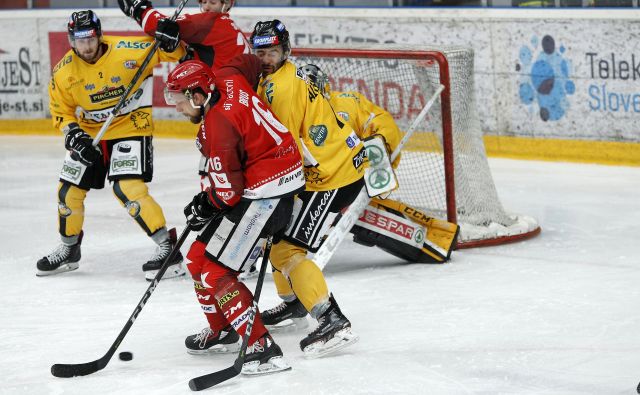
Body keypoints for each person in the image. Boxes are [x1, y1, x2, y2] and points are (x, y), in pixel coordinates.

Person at [163, 56, 305, 374]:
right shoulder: (227, 77)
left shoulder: (219, 127)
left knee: (215, 273)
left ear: (198, 96)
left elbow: (228, 193)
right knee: (197, 258)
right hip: (275, 183)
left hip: (266, 200)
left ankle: (262, 348)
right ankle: (223, 329)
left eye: (179, 99)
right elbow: (250, 62)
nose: (177, 107)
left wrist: (206, 204)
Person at [38, 10, 186, 280]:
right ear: (71, 40)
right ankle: (69, 249)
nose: (85, 46)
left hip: (131, 126)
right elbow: (61, 111)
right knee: (67, 192)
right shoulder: (64, 72)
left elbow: (176, 54)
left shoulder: (129, 50)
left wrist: (172, 41)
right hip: (91, 134)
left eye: (90, 39)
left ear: (99, 35)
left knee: (126, 188)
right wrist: (73, 134)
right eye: (79, 40)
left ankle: (168, 247)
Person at [250, 20, 366, 359]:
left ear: (285, 50)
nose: (266, 58)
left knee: (287, 251)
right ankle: (295, 305)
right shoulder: (277, 77)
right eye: (260, 52)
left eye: (272, 51)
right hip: (326, 168)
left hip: (330, 175)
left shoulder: (284, 87)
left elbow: (283, 146)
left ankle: (331, 319)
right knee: (276, 242)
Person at [301, 64, 460, 264]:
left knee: (366, 213)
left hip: (350, 182)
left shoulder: (347, 104)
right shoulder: (295, 115)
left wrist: (380, 144)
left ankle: (437, 239)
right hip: (314, 186)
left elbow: (380, 121)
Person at [118, 0, 249, 72]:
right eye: (204, 2)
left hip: (227, 94)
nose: (207, 7)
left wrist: (140, 9)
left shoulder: (209, 22)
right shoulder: (230, 26)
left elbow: (161, 26)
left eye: (213, 2)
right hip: (242, 91)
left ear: (225, 5)